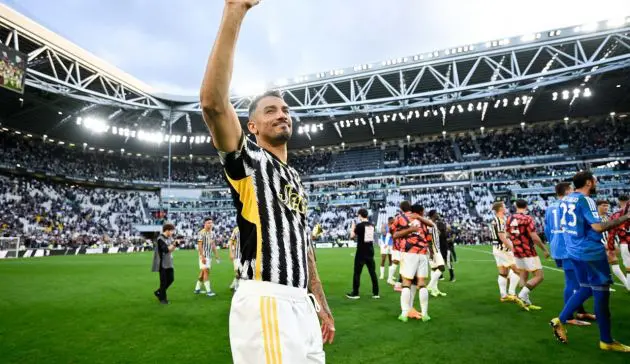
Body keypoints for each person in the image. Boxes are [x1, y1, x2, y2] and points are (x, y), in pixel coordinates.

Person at [200, 1, 334, 362]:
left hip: (300, 302)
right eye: (270, 110)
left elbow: (302, 243)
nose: (282, 114)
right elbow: (212, 104)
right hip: (265, 298)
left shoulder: (294, 178)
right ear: (252, 127)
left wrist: (318, 299)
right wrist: (235, 10)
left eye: (286, 110)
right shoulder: (248, 162)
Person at [550, 171, 630, 352]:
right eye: (595, 181)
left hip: (574, 251)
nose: (596, 183)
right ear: (588, 183)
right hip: (590, 253)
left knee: (585, 287)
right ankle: (606, 340)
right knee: (601, 294)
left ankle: (559, 319)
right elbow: (598, 226)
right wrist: (626, 217)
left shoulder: (565, 200)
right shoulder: (586, 200)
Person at [545, 183, 593, 326]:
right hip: (569, 247)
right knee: (573, 281)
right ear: (567, 191)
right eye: (572, 190)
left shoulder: (550, 207)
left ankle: (581, 311)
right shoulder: (569, 205)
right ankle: (568, 317)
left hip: (557, 246)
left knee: (579, 281)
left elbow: (547, 228)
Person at [392, 201, 435, 323]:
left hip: (409, 253)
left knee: (406, 283)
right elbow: (429, 235)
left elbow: (394, 235)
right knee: (422, 283)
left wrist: (409, 230)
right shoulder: (422, 221)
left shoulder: (400, 218)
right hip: (422, 253)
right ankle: (425, 314)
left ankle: (404, 313)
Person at [507, 199, 550, 310]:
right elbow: (534, 237)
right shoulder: (527, 218)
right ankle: (522, 295)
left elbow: (507, 234)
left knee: (523, 276)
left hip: (517, 251)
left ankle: (525, 302)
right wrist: (544, 249)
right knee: (539, 276)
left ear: (516, 206)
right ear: (526, 206)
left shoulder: (510, 218)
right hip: (528, 251)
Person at [489, 201, 521, 303]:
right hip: (503, 249)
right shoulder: (500, 221)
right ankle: (512, 293)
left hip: (497, 249)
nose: (506, 208)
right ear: (501, 209)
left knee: (503, 273)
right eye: (504, 207)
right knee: (518, 270)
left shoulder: (497, 220)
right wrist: (513, 248)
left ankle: (503, 295)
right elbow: (502, 237)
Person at [346, 208, 379, 299]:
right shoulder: (372, 225)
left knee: (357, 272)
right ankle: (376, 293)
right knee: (372, 272)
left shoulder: (359, 226)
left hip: (361, 251)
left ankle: (355, 293)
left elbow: (352, 237)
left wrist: (353, 228)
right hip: (370, 250)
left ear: (360, 215)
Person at [598, 199, 628, 290]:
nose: (606, 207)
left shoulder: (610, 216)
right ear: (598, 206)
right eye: (603, 205)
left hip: (610, 242)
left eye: (607, 206)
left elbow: (614, 229)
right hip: (600, 243)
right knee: (608, 262)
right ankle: (627, 284)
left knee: (610, 263)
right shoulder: (595, 217)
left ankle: (606, 284)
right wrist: (604, 243)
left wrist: (615, 242)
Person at [151, 223, 179, 304]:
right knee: (163, 282)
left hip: (169, 262)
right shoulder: (160, 238)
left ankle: (159, 292)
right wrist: (174, 244)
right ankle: (163, 299)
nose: (172, 233)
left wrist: (175, 244)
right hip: (162, 263)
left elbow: (170, 250)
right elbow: (165, 250)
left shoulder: (169, 238)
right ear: (167, 230)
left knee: (171, 279)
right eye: (172, 231)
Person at [607, 195, 630, 291]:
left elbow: (611, 232)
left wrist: (610, 247)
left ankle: (629, 287)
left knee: (629, 267)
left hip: (625, 242)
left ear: (619, 201)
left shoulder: (616, 214)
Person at [195, 218, 219, 297]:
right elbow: (199, 245)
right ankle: (208, 291)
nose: (210, 224)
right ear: (205, 224)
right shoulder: (201, 233)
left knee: (203, 272)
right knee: (206, 272)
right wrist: (202, 257)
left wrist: (216, 255)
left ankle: (197, 289)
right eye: (208, 223)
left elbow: (213, 245)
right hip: (204, 256)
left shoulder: (212, 233)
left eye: (211, 223)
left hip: (209, 255)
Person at [426, 209, 447, 297]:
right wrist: (431, 251)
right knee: (442, 267)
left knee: (434, 269)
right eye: (436, 213)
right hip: (433, 249)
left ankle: (435, 290)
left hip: (434, 248)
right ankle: (430, 286)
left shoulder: (433, 223)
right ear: (433, 215)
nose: (438, 215)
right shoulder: (429, 223)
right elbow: (428, 238)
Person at [228, 226, 240, 291]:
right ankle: (236, 288)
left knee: (244, 272)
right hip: (237, 255)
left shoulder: (250, 227)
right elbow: (231, 242)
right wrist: (231, 253)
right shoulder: (236, 229)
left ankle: (233, 285)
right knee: (238, 272)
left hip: (246, 256)